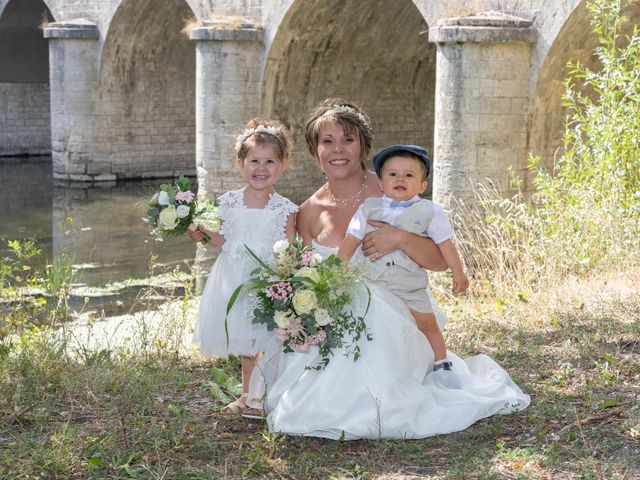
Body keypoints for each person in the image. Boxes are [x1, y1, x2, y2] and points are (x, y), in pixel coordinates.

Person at [248, 98, 530, 440]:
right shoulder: (307, 211)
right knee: (305, 395)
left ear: (364, 145)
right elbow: (307, 277)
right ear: (314, 149)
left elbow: (440, 261)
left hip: (396, 306)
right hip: (334, 314)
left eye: (348, 140)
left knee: (377, 332)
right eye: (327, 141)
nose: (338, 150)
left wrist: (400, 237)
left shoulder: (395, 187)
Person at [188, 118, 298, 417]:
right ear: (241, 163)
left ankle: (266, 395)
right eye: (254, 161)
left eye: (270, 161)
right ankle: (248, 396)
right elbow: (225, 240)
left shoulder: (285, 208)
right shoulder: (230, 202)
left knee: (270, 339)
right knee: (248, 343)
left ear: (283, 165)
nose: (261, 168)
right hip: (236, 278)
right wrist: (201, 232)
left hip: (267, 281)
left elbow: (289, 248)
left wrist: (286, 283)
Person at [338, 144, 469, 373]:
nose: (400, 179)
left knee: (427, 323)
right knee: (377, 325)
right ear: (381, 183)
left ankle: (442, 363)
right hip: (373, 282)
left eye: (409, 175)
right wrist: (338, 268)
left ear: (422, 184)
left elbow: (445, 243)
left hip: (409, 285)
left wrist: (458, 273)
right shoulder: (369, 207)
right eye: (392, 174)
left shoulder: (430, 211)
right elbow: (352, 237)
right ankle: (379, 368)